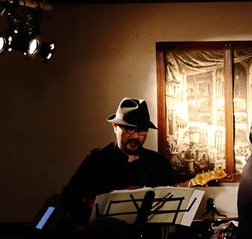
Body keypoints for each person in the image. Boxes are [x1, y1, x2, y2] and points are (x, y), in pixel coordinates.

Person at [60, 97, 175, 227]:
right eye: (129, 129)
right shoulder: (97, 160)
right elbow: (69, 198)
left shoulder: (159, 163)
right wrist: (94, 223)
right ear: (115, 127)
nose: (135, 136)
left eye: (141, 131)